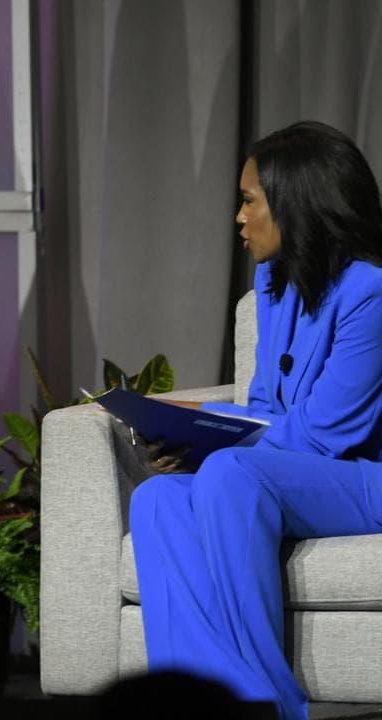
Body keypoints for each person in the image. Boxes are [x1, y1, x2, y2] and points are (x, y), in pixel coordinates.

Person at [130, 120, 382, 720]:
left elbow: (327, 435)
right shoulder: (274, 282)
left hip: (365, 479)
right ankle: (203, 703)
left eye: (249, 201)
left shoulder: (371, 292)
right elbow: (269, 411)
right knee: (159, 499)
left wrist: (205, 420)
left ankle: (268, 705)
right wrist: (190, 440)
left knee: (231, 476)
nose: (239, 219)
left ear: (296, 204)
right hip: (298, 473)